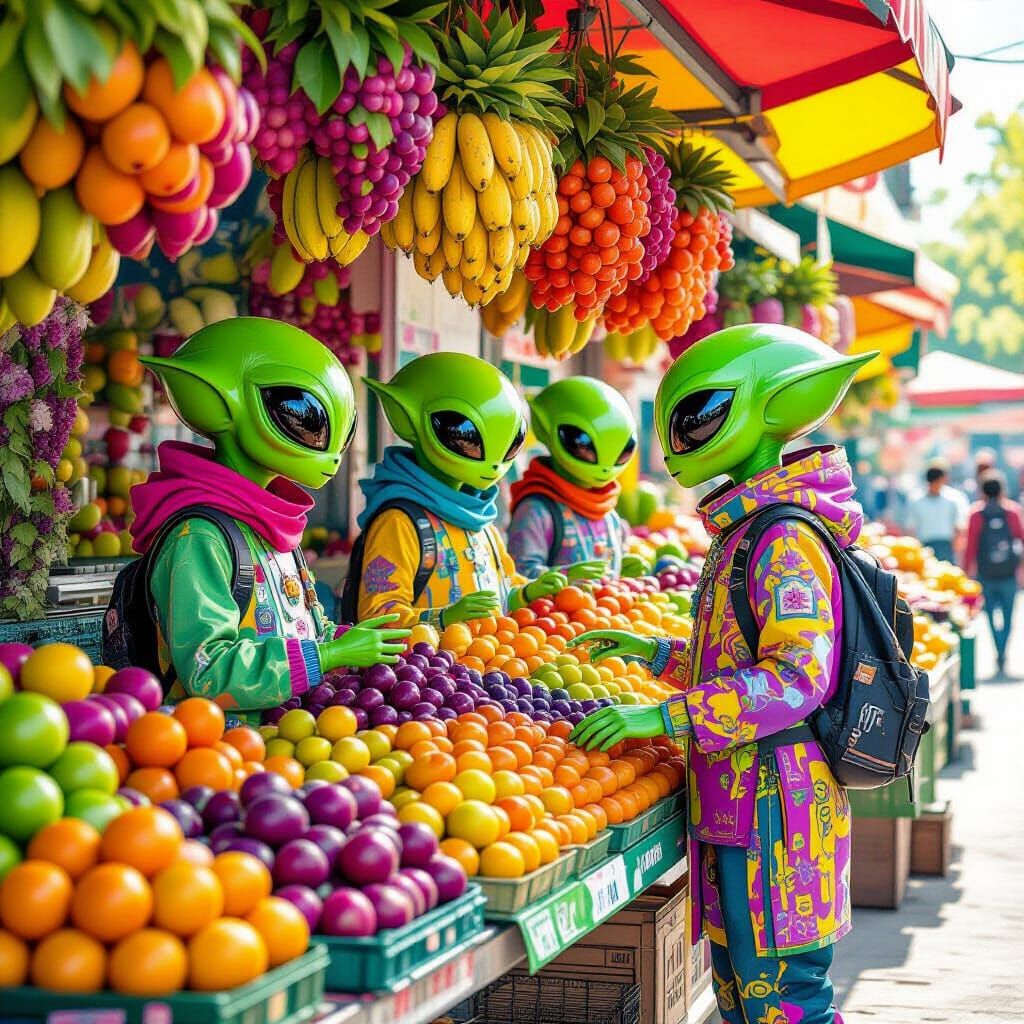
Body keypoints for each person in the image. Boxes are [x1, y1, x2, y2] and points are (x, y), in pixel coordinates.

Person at [568, 324, 876, 1024]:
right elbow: (740, 662)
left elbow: (799, 677)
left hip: (779, 810)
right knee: (740, 995)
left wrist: (666, 715)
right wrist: (657, 658)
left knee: (784, 1002)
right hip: (735, 803)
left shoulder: (784, 536)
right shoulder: (747, 528)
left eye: (697, 414)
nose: (682, 438)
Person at [118, 318, 410, 712]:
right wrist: (328, 657)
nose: (331, 452)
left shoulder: (272, 525)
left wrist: (349, 643)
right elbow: (208, 670)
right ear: (223, 403)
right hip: (222, 755)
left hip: (295, 741)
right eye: (303, 416)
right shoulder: (200, 536)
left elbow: (306, 627)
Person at [343, 353, 584, 629]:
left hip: (492, 667)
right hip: (429, 671)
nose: (493, 464)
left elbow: (500, 595)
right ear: (406, 419)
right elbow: (376, 617)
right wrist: (444, 619)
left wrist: (529, 592)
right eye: (466, 436)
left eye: (511, 444)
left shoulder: (482, 523)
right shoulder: (400, 522)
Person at [508, 376, 639, 580]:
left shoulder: (608, 512)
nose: (602, 467)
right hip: (556, 613)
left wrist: (622, 567)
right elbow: (517, 576)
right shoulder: (537, 511)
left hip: (608, 611)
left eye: (623, 451)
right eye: (583, 445)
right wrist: (567, 577)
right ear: (546, 429)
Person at [964, 471, 1023, 676]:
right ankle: (1002, 651)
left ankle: (997, 647)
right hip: (1008, 574)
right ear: (1002, 489)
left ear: (982, 491)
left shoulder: (976, 514)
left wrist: (966, 572)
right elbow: (1020, 541)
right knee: (1008, 616)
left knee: (989, 616)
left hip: (985, 574)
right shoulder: (1013, 512)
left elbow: (970, 546)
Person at [905, 464, 967, 563]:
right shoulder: (916, 500)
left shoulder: (953, 498)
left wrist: (957, 544)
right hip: (925, 545)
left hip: (947, 545)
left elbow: (959, 525)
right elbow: (911, 528)